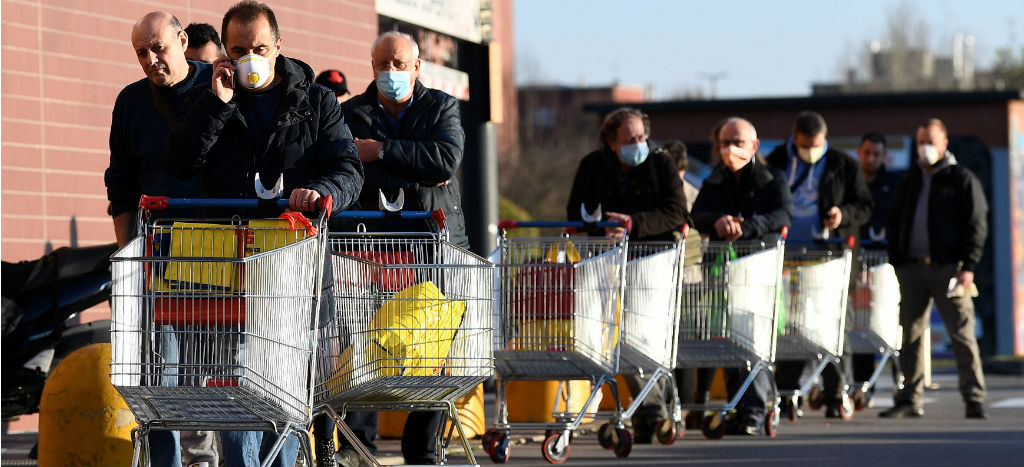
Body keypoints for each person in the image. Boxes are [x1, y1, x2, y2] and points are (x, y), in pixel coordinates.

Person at [163, 1, 364, 465]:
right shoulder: (209, 96)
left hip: (293, 270)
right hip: (226, 271)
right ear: (224, 52)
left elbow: (349, 169)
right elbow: (177, 162)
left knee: (284, 394)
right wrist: (216, 105)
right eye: (238, 50)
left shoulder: (316, 101)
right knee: (234, 393)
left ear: (278, 47)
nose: (249, 58)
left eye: (259, 48)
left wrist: (321, 192)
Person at [337, 31, 466, 465]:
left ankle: (421, 449)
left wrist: (379, 151)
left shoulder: (441, 107)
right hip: (372, 247)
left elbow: (445, 160)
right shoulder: (350, 113)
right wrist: (416, 166)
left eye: (398, 64)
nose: (390, 72)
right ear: (372, 67)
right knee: (367, 340)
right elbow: (347, 167)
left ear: (416, 67)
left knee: (432, 344)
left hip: (432, 245)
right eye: (382, 64)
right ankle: (359, 446)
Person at [104, 12, 214, 467]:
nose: (151, 59)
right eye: (141, 53)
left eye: (159, 48)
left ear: (183, 41)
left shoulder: (217, 84)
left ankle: (207, 458)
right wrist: (128, 254)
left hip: (219, 253)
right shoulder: (131, 102)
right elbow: (121, 182)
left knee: (217, 375)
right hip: (158, 255)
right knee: (158, 376)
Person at [566, 107, 688, 443]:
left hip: (651, 260)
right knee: (611, 338)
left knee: (640, 337)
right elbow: (576, 209)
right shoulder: (593, 165)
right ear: (611, 142)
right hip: (605, 261)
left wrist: (634, 224)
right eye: (629, 139)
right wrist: (601, 226)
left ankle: (651, 412)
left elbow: (677, 211)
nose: (638, 143)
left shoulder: (661, 163)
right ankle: (652, 413)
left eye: (641, 137)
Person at [765, 111, 873, 418]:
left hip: (830, 258)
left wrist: (842, 215)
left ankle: (836, 391)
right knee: (792, 327)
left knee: (833, 324)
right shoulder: (777, 161)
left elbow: (864, 205)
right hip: (787, 257)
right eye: (805, 145)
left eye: (816, 145)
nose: (811, 151)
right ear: (795, 138)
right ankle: (787, 391)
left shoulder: (843, 164)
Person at [880, 118, 988, 420]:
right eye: (921, 142)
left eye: (931, 141)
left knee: (961, 334)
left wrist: (968, 265)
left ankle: (974, 398)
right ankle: (909, 399)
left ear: (944, 143)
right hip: (912, 270)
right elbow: (894, 222)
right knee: (910, 336)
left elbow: (976, 224)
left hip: (949, 270)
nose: (925, 147)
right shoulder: (910, 180)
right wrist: (898, 260)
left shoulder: (961, 179)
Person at [690, 117, 792, 435]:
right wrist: (718, 220)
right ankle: (738, 407)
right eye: (725, 143)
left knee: (753, 338)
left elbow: (782, 215)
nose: (731, 149)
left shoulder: (772, 178)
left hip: (757, 266)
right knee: (729, 339)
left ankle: (754, 411)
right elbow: (697, 215)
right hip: (722, 270)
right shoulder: (714, 179)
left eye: (738, 142)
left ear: (754, 146)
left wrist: (746, 227)